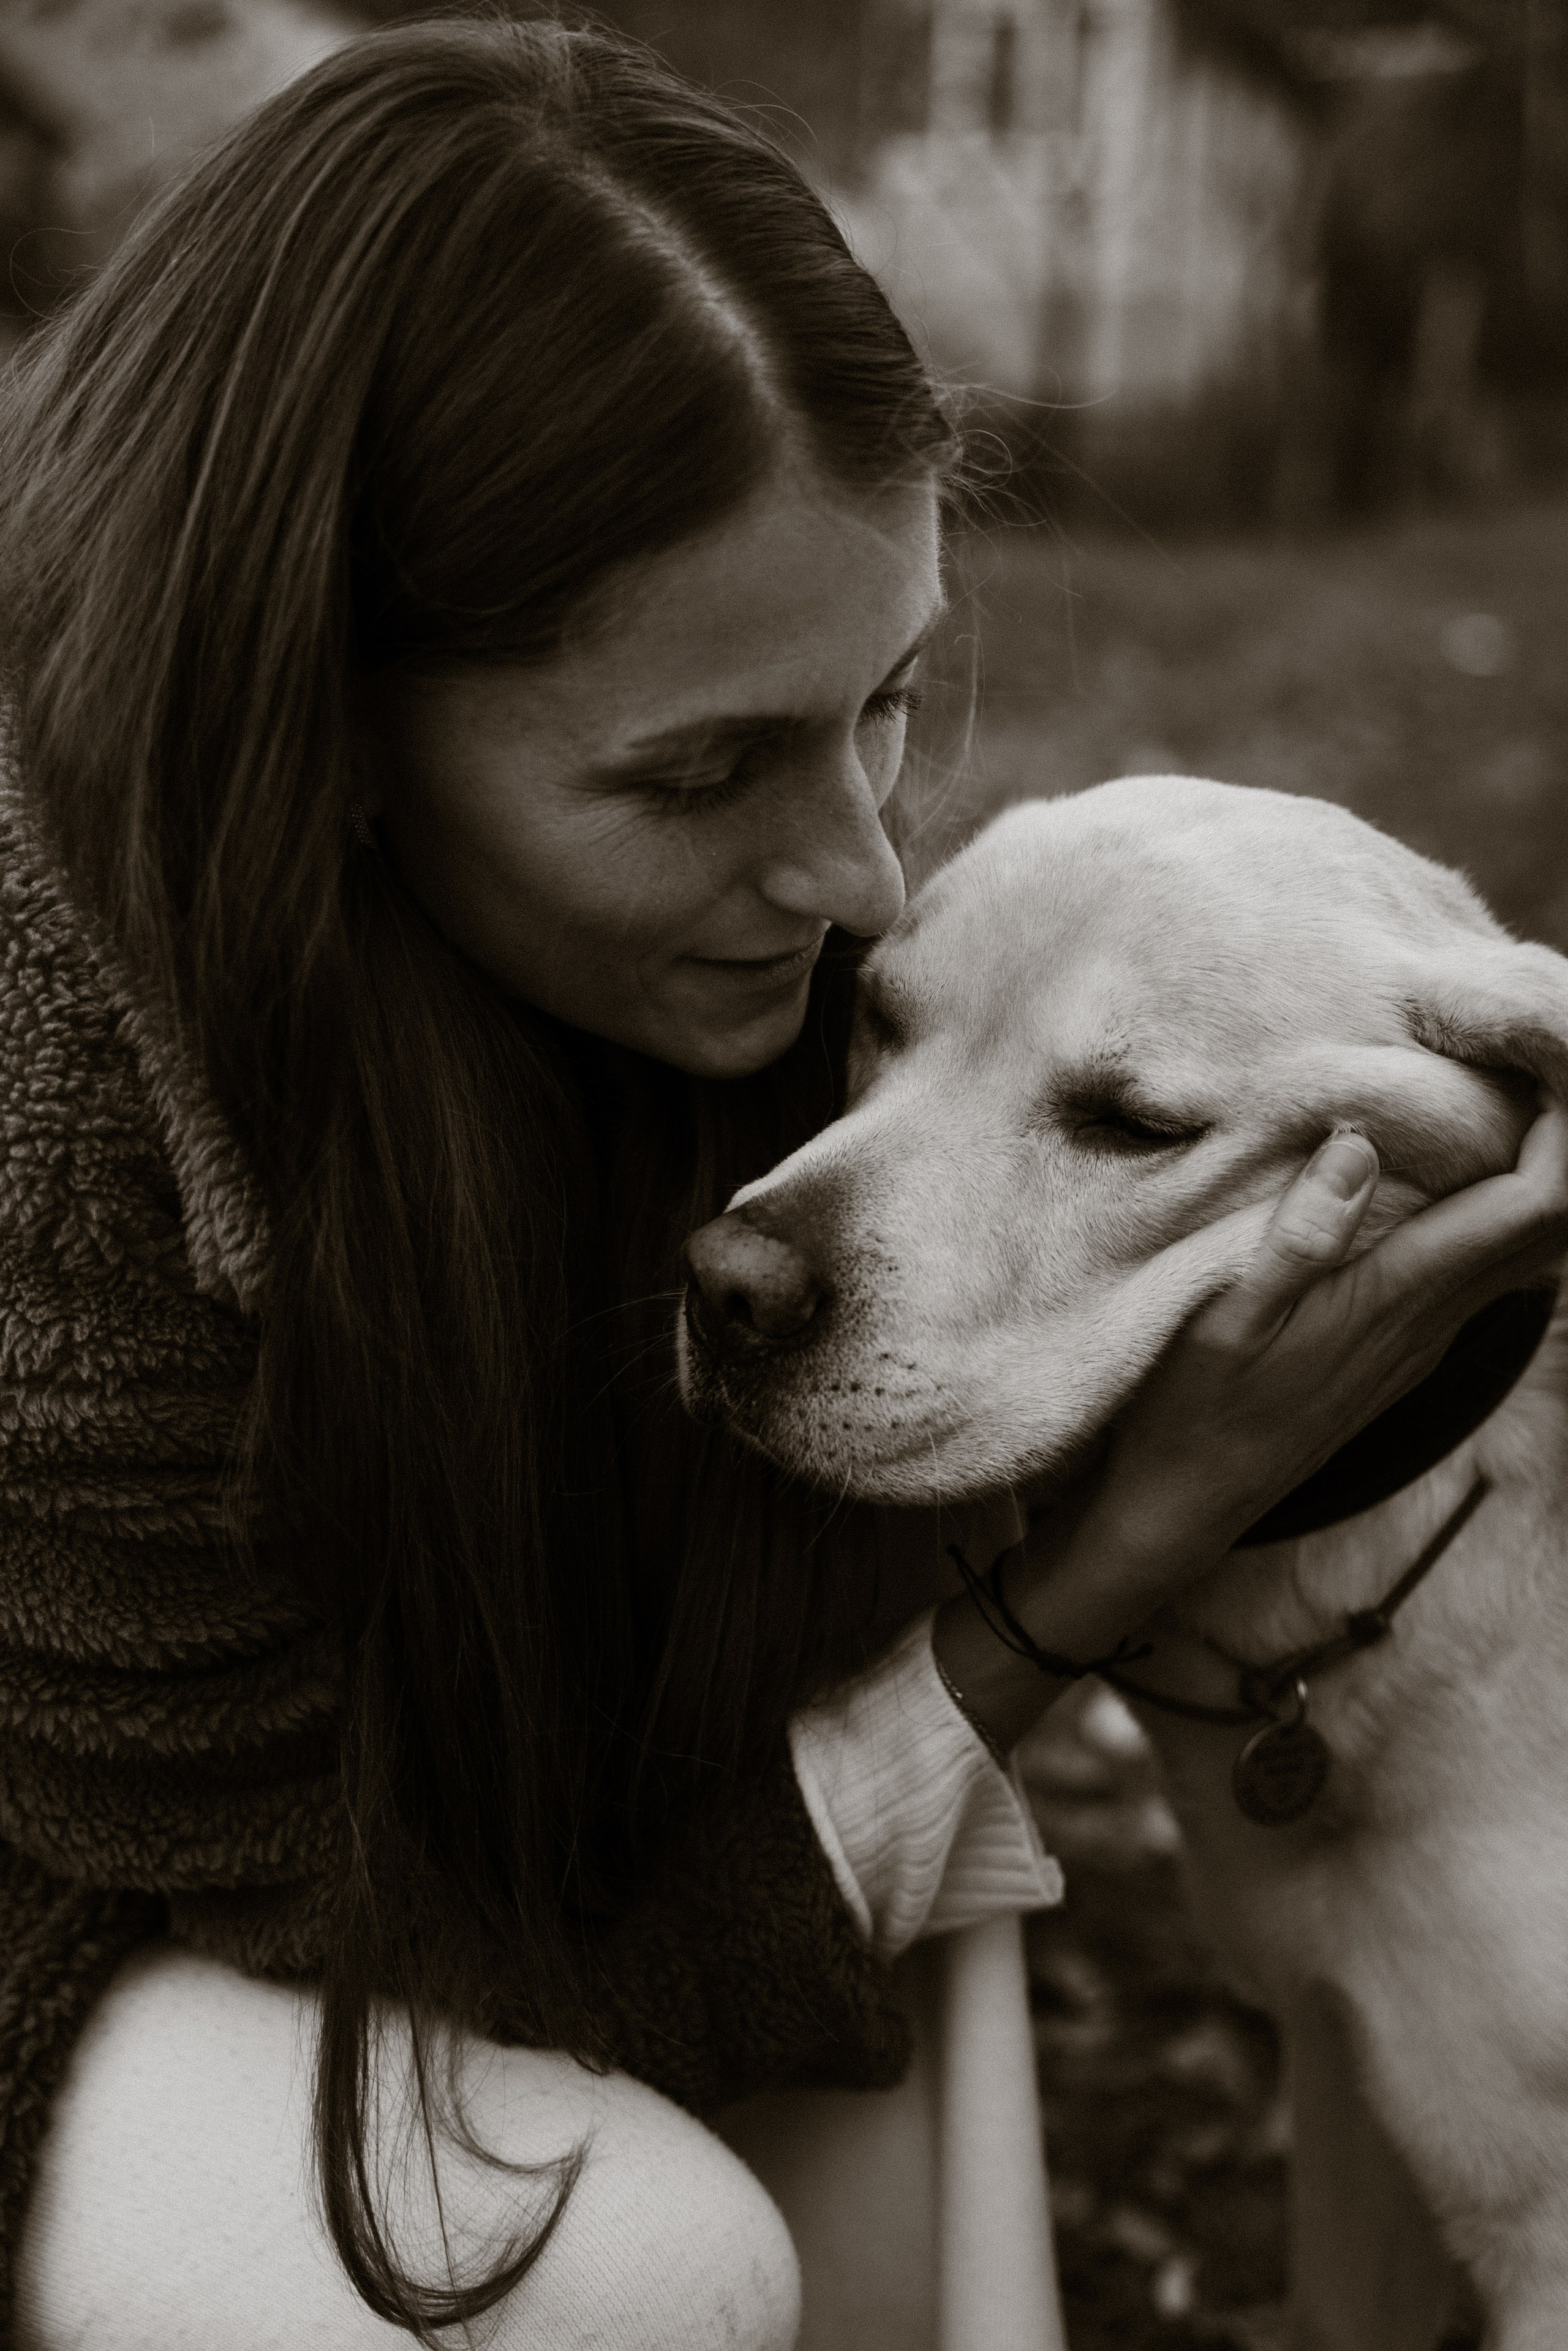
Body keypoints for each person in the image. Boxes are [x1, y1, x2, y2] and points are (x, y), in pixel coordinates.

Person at [0, 18, 1562, 2351]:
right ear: (319, 732)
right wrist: (1103, 1568)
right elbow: (440, 1939)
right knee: (625, 2264)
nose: (856, 874)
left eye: (886, 700)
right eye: (709, 765)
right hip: (106, 1923)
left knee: (905, 1836)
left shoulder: (721, 950)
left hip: (555, 1850)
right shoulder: (63, 1182)